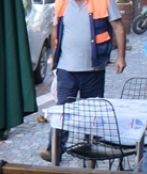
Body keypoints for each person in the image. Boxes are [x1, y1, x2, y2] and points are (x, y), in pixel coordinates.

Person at [41, 0, 126, 160]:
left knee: (93, 112)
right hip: (66, 69)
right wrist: (54, 57)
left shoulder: (104, 2)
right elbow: (55, 29)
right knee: (62, 111)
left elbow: (118, 27)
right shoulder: (62, 3)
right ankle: (55, 148)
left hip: (93, 68)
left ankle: (92, 146)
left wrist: (121, 57)